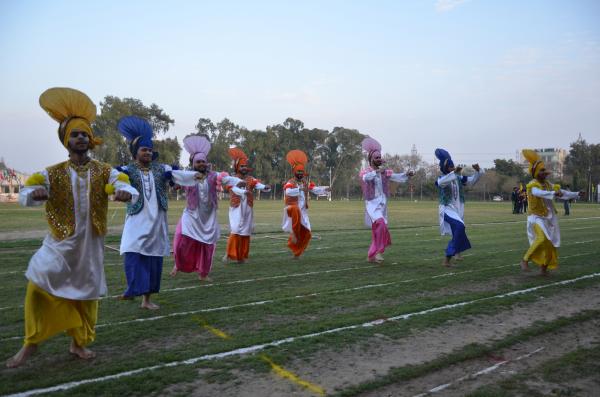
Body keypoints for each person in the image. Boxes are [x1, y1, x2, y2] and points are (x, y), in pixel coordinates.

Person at [6, 87, 137, 368]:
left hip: (90, 246)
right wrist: (35, 195)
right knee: (38, 285)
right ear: (66, 140)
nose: (80, 138)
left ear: (90, 140)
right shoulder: (51, 172)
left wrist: (124, 192)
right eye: (75, 134)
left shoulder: (105, 170)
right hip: (59, 244)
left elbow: (124, 183)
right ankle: (31, 344)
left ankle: (78, 344)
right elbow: (26, 194)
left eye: (84, 134)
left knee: (87, 296)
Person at [117, 116, 180, 309]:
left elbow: (177, 177)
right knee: (131, 251)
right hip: (136, 219)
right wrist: (118, 191)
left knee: (153, 260)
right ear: (136, 152)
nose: (148, 153)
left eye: (150, 150)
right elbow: (114, 180)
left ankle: (146, 300)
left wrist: (183, 179)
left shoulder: (162, 169)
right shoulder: (126, 170)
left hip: (157, 221)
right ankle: (132, 288)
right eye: (144, 149)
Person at [170, 135, 230, 281]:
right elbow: (175, 184)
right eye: (198, 162)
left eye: (203, 161)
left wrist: (235, 182)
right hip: (191, 214)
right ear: (193, 163)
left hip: (209, 217)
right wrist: (174, 181)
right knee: (180, 240)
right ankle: (178, 264)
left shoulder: (214, 176)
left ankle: (203, 273)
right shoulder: (188, 176)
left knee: (208, 246)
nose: (202, 164)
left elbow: (227, 180)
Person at [519, 150, 584, 275]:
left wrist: (576, 194)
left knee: (551, 244)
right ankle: (524, 260)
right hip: (535, 218)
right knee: (542, 238)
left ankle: (544, 268)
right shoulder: (532, 185)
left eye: (544, 170)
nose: (544, 173)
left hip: (548, 219)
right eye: (541, 170)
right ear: (536, 172)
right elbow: (539, 193)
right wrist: (554, 193)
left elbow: (563, 193)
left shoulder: (548, 185)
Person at [360, 137, 413, 263]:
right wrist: (377, 171)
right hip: (372, 204)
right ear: (371, 159)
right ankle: (378, 252)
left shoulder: (385, 172)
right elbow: (366, 178)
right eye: (376, 158)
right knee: (381, 225)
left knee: (379, 229)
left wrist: (406, 174)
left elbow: (396, 176)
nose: (379, 159)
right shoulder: (366, 171)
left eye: (380, 157)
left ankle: (371, 255)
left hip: (382, 204)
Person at [434, 149, 484, 267]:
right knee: (460, 227)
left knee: (459, 230)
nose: (452, 169)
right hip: (446, 210)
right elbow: (442, 183)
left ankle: (455, 253)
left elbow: (471, 182)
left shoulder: (458, 178)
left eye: (453, 167)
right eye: (450, 167)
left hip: (457, 210)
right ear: (445, 168)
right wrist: (454, 173)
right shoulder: (441, 179)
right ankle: (448, 258)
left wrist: (478, 171)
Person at [223, 148, 270, 264]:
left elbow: (258, 184)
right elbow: (226, 188)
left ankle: (243, 256)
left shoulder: (250, 179)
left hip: (247, 207)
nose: (244, 168)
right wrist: (240, 188)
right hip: (236, 207)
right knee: (235, 229)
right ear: (237, 167)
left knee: (246, 231)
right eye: (242, 166)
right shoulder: (232, 179)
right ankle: (229, 253)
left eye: (245, 166)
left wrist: (265, 187)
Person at [282, 150, 329, 259]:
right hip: (292, 210)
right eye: (298, 171)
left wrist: (325, 189)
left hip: (303, 212)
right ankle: (293, 235)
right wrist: (299, 189)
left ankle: (297, 253)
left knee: (307, 234)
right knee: (296, 220)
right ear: (294, 172)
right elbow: (288, 191)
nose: (300, 173)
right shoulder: (290, 182)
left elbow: (315, 189)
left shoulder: (305, 183)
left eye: (301, 172)